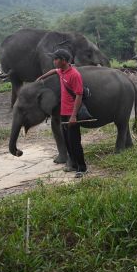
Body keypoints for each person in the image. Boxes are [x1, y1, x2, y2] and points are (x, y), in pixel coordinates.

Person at [35, 49, 87, 178]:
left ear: (63, 60)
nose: (54, 61)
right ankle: (74, 164)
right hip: (64, 112)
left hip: (71, 113)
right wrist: (41, 77)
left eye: (56, 59)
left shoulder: (74, 75)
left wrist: (74, 116)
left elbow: (79, 95)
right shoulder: (62, 71)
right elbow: (54, 71)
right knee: (68, 141)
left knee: (75, 142)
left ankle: (82, 167)